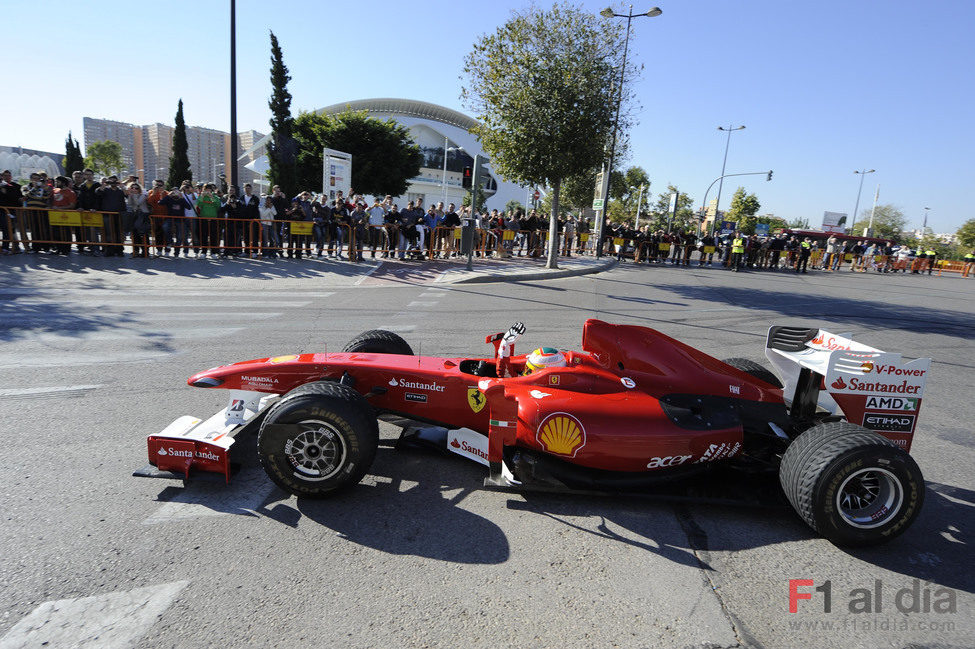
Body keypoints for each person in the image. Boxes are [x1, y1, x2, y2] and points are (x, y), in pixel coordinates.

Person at [95, 176, 127, 256]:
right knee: (108, 232)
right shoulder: (105, 190)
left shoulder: (120, 191)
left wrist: (122, 185)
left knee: (119, 233)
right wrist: (105, 184)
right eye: (111, 181)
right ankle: (109, 249)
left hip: (119, 215)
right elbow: (97, 192)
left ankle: (119, 249)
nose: (113, 183)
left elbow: (127, 195)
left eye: (114, 181)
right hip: (107, 214)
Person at [195, 184, 221, 258]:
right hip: (204, 219)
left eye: (209, 189)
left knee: (213, 236)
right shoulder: (202, 196)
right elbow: (198, 204)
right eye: (206, 189)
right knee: (204, 236)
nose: (207, 190)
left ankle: (213, 252)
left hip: (213, 219)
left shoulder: (215, 196)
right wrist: (202, 196)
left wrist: (211, 197)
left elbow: (218, 205)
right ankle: (204, 252)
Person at [0, 170, 23, 254]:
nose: (7, 177)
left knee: (10, 229)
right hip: (2, 210)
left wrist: (5, 192)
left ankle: (12, 247)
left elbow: (17, 199)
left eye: (8, 175)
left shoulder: (14, 186)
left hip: (9, 211)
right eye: (5, 175)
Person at [124, 183, 151, 257]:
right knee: (134, 233)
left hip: (143, 215)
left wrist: (133, 195)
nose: (134, 189)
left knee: (143, 233)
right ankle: (136, 250)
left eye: (136, 188)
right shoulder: (132, 195)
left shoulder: (143, 195)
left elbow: (138, 203)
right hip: (135, 215)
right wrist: (130, 195)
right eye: (132, 188)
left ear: (139, 189)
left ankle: (145, 251)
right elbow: (129, 204)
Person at [258, 194, 279, 258]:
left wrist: (270, 207)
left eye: (270, 200)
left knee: (276, 240)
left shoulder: (271, 205)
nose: (269, 201)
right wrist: (269, 208)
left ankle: (272, 253)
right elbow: (263, 215)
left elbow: (275, 213)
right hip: (264, 224)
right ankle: (265, 254)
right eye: (267, 200)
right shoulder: (261, 206)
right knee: (265, 240)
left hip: (271, 224)